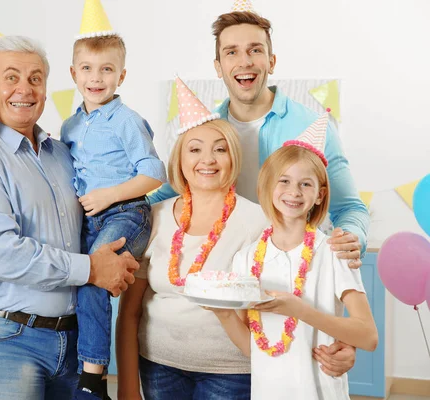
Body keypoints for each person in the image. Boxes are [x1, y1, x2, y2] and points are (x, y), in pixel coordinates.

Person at [116, 78, 359, 400]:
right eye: (195, 149)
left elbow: (308, 284)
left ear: (234, 158)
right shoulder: (152, 217)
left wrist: (345, 343)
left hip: (233, 372)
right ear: (179, 160)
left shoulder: (263, 220)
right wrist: (127, 387)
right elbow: (129, 312)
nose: (208, 159)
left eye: (220, 149)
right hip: (158, 366)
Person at [0, 35, 140, 400]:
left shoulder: (63, 154)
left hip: (76, 340)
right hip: (8, 339)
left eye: (35, 78)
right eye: (12, 77)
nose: (25, 89)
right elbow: (3, 254)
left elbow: (106, 211)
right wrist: (93, 269)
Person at [149, 4, 369, 274]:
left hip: (293, 271)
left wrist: (350, 236)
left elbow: (348, 207)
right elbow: (171, 193)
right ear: (218, 67)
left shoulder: (312, 125)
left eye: (255, 50)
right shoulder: (206, 134)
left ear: (271, 61)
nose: (245, 61)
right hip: (228, 269)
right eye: (232, 52)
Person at [207, 113, 378, 399]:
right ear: (267, 187)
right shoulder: (246, 260)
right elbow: (253, 348)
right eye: (284, 181)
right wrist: (223, 314)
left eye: (306, 184)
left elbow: (368, 336)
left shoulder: (333, 252)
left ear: (321, 195)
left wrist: (300, 310)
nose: (294, 192)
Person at [62, 23, 166, 400]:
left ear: (121, 75)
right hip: (89, 220)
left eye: (107, 69)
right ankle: (80, 370)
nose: (96, 77)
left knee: (94, 271)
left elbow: (154, 173)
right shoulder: (70, 125)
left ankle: (93, 380)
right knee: (78, 280)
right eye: (87, 68)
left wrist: (108, 196)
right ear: (73, 73)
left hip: (126, 213)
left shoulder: (126, 120)